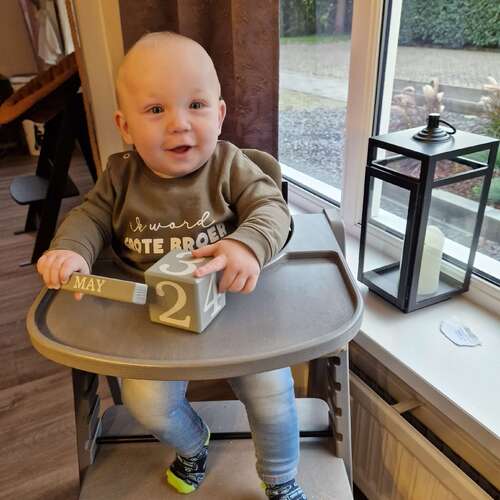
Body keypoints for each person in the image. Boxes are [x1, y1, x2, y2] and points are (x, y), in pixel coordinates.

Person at [36, 32, 306, 499]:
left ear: (219, 115)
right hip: (153, 319)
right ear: (125, 126)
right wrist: (72, 251)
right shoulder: (119, 177)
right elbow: (89, 218)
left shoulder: (230, 165)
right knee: (147, 404)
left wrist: (246, 246)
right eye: (156, 109)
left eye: (196, 105)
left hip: (234, 307)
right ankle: (194, 444)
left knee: (274, 397)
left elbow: (272, 209)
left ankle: (281, 479)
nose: (179, 124)